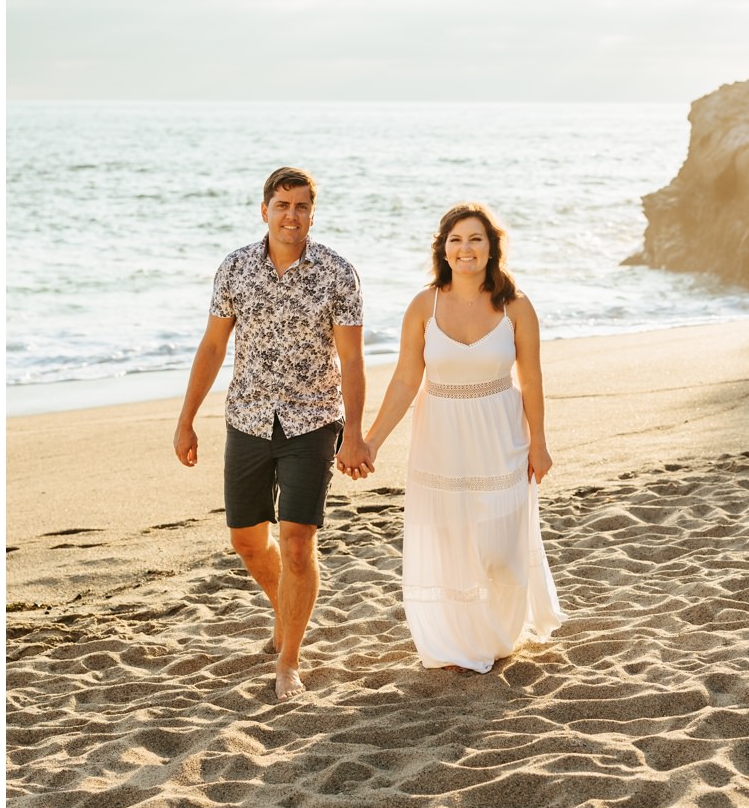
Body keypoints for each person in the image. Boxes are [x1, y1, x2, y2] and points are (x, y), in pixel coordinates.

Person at [174, 167, 372, 702]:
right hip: (248, 419)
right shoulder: (235, 269)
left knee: (298, 543)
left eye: (302, 206)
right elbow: (214, 346)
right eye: (282, 205)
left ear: (312, 212)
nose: (292, 215)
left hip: (313, 421)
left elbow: (352, 359)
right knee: (246, 540)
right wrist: (186, 418)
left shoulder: (338, 274)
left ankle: (289, 661)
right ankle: (285, 609)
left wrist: (354, 433)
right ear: (264, 210)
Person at [362, 202, 566, 672]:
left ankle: (497, 635)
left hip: (502, 435)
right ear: (444, 249)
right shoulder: (424, 305)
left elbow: (531, 379)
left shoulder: (516, 305)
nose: (465, 248)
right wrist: (372, 441)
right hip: (441, 438)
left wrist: (540, 442)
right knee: (452, 543)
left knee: (500, 548)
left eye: (475, 239)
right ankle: (458, 643)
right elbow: (404, 381)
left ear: (492, 247)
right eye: (456, 240)